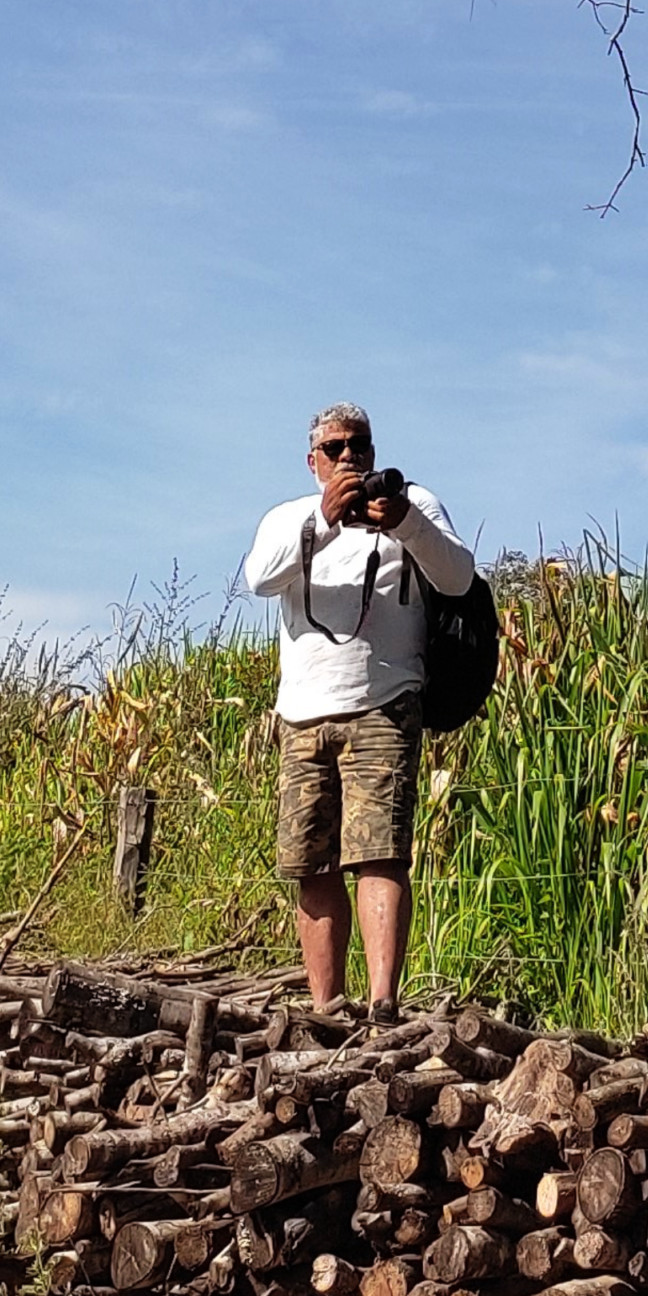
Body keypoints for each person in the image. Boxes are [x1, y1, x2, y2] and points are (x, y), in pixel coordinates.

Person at [243, 403, 475, 1022]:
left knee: (380, 852)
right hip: (301, 715)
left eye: (361, 446)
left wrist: (405, 526)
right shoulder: (289, 518)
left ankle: (381, 1005)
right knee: (309, 860)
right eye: (337, 448)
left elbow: (458, 579)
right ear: (313, 459)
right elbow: (258, 580)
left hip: (385, 702)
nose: (350, 458)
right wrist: (323, 520)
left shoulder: (413, 504)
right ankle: (326, 1006)